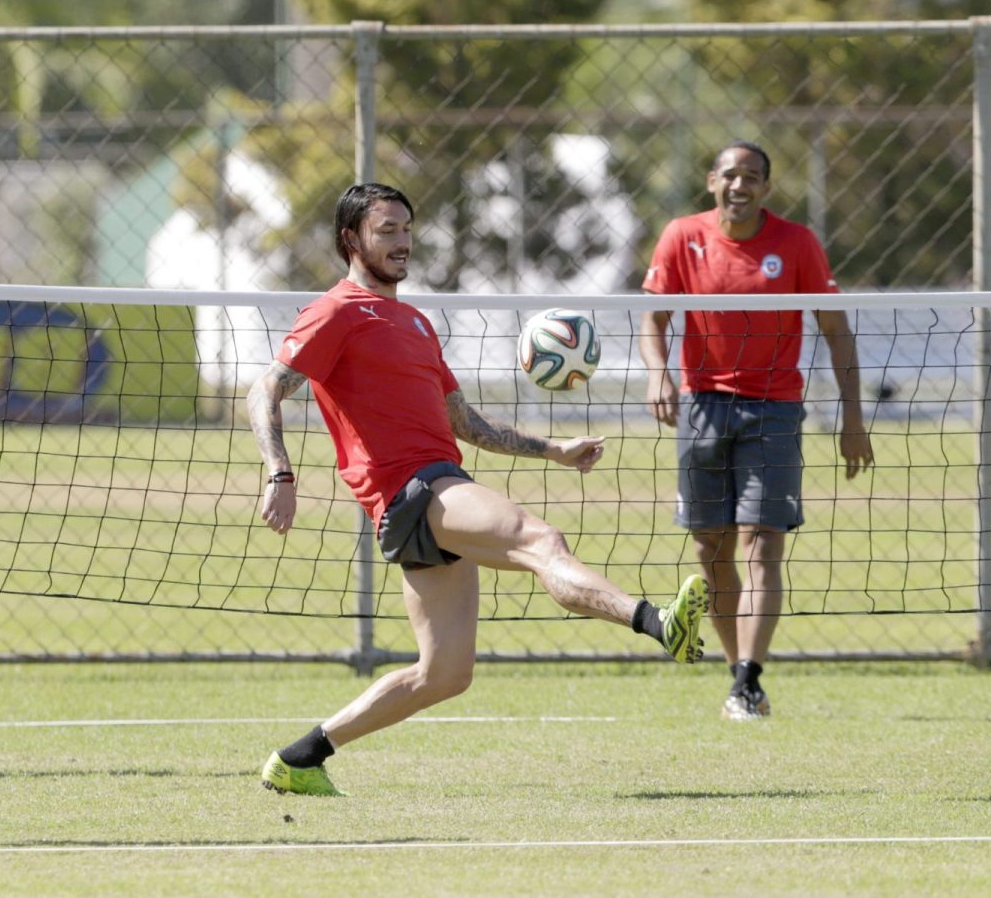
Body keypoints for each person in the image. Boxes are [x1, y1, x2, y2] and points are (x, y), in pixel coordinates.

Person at [249, 182, 709, 797]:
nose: (403, 241)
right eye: (386, 230)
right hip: (415, 490)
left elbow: (466, 424)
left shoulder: (413, 321)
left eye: (407, 228)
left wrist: (554, 450)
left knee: (444, 675)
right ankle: (657, 623)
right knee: (539, 539)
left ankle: (299, 758)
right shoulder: (336, 311)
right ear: (350, 239)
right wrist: (280, 472)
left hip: (432, 491)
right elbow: (266, 390)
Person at [639, 141, 873, 721]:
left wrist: (852, 418)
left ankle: (748, 679)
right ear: (711, 180)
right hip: (701, 407)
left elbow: (837, 331)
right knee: (709, 546)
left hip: (774, 410)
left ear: (766, 188)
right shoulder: (680, 236)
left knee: (763, 541)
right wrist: (657, 376)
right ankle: (734, 672)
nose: (739, 185)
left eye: (752, 177)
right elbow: (653, 318)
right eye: (730, 175)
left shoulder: (796, 244)